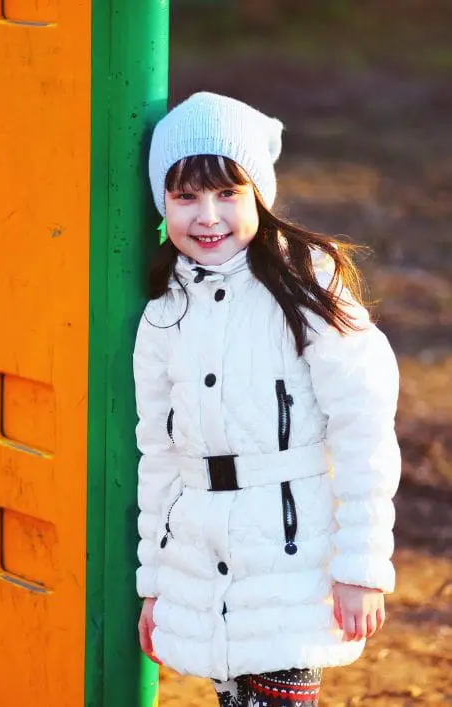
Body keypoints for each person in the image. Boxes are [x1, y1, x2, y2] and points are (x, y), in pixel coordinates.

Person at [133, 92, 400, 707]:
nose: (207, 216)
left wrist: (361, 565)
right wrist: (157, 584)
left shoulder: (304, 287)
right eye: (185, 196)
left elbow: (363, 425)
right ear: (162, 203)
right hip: (200, 563)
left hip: (294, 556)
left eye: (228, 193)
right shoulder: (163, 315)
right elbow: (159, 457)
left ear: (260, 196)